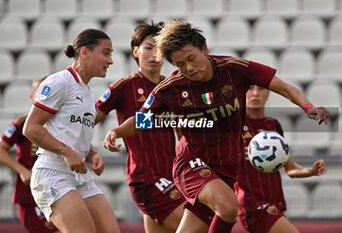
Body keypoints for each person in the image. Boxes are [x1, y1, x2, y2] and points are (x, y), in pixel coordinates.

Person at [103, 19, 329, 233]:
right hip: (191, 163)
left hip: (225, 169)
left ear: (204, 49)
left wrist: (307, 106)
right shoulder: (170, 87)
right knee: (229, 206)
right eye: (180, 64)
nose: (189, 68)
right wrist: (116, 131)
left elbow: (285, 87)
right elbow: (142, 121)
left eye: (191, 58)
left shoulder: (234, 69)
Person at [96, 21, 209, 233]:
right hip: (147, 179)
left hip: (173, 177)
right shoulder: (124, 86)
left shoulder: (171, 88)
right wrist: (87, 148)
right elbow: (89, 119)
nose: (155, 54)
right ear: (136, 51)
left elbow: (181, 130)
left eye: (159, 48)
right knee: (200, 228)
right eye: (149, 47)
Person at [22, 29, 121, 233]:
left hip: (81, 176)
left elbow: (70, 133)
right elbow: (30, 128)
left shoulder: (86, 91)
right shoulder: (59, 82)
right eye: (106, 53)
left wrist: (92, 154)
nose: (110, 60)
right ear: (84, 52)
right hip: (53, 173)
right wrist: (66, 152)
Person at [235, 85, 327, 233]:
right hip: (251, 204)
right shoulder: (234, 125)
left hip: (275, 202)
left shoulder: (273, 125)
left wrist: (311, 171)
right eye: (249, 88)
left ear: (268, 94)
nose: (255, 93)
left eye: (261, 89)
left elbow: (290, 169)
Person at [0, 77, 59, 233]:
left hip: (58, 190)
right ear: (32, 96)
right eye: (40, 91)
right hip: (30, 195)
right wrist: (22, 171)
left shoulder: (60, 122)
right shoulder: (22, 123)